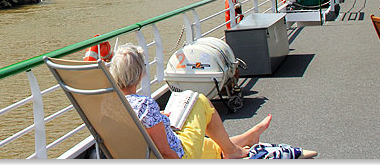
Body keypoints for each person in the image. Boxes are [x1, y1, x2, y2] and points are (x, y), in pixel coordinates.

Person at [109, 44, 271, 159]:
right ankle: (232, 151)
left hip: (148, 155)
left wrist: (158, 117)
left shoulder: (110, 106)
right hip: (180, 156)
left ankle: (246, 139)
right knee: (200, 101)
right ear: (139, 75)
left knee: (209, 147)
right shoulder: (145, 106)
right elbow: (166, 152)